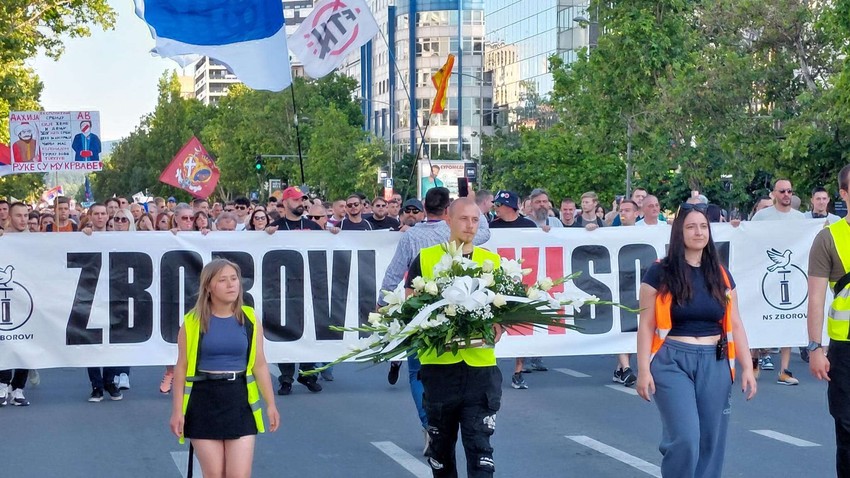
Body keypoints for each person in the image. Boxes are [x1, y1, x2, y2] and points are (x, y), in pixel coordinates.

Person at [636, 202, 757, 478]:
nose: (698, 232)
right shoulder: (659, 272)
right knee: (686, 438)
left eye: (703, 226)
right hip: (671, 360)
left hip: (715, 361)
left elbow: (736, 323)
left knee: (711, 440)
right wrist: (643, 370)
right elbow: (646, 325)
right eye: (691, 227)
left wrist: (748, 368)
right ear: (680, 232)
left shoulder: (721, 274)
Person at [380, 187, 491, 454]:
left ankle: (429, 425)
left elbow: (394, 272)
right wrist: (470, 201)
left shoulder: (412, 236)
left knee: (417, 373)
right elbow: (484, 231)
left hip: (422, 313)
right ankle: (448, 426)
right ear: (448, 211)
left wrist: (382, 303)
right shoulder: (457, 229)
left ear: (424, 208)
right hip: (458, 313)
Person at [405, 197, 503, 477]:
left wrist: (500, 325)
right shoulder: (426, 258)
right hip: (440, 369)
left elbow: (503, 308)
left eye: (475, 220)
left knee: (481, 452)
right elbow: (410, 305)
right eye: (463, 219)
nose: (470, 226)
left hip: (480, 370)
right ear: (448, 219)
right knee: (441, 454)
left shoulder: (492, 261)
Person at [169, 259, 279, 478]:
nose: (231, 285)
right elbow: (181, 368)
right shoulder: (192, 322)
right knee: (214, 474)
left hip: (239, 400)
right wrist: (177, 411)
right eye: (222, 280)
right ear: (209, 287)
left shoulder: (250, 318)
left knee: (239, 474)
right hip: (203, 402)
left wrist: (271, 405)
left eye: (234, 279)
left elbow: (259, 364)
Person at [805, 164, 850, 476]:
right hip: (845, 350)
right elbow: (816, 298)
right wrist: (815, 347)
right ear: (844, 194)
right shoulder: (828, 239)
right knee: (847, 428)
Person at [266, 186, 324, 394]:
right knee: (285, 332)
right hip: (284, 289)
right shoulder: (275, 227)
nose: (301, 203)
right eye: (297, 200)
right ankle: (286, 378)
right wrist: (266, 236)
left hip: (308, 288)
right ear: (285, 202)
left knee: (309, 331)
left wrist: (333, 234)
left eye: (302, 200)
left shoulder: (313, 227)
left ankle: (308, 374)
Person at [752, 179, 805, 385]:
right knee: (760, 316)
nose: (786, 195)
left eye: (789, 191)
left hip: (790, 275)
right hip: (764, 275)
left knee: (787, 317)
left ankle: (784, 370)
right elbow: (748, 239)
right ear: (774, 193)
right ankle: (754, 360)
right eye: (782, 191)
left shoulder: (800, 218)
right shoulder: (762, 217)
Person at [487, 190, 537, 390]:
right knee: (495, 323)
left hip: (522, 279)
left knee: (520, 323)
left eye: (499, 205)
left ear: (510, 207)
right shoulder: (492, 227)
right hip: (498, 280)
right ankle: (491, 366)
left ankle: (518, 370)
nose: (496, 208)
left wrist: (547, 232)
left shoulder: (529, 226)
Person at [0, 203, 34, 406]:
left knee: (28, 343)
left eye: (26, 215)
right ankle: (3, 384)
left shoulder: (34, 241)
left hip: (28, 300)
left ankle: (18, 388)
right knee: (4, 341)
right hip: (5, 299)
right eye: (18, 215)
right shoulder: (3, 239)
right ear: (9, 217)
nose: (23, 219)